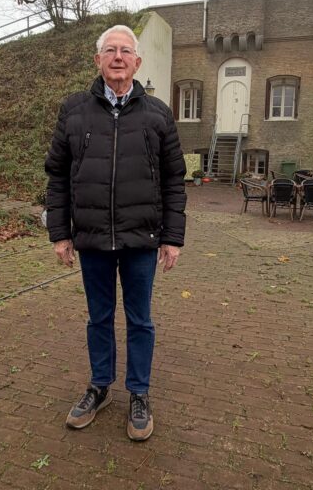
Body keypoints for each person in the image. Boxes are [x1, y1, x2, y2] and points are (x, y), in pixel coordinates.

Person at [44, 25, 187, 441]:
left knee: (140, 320)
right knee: (99, 318)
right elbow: (57, 176)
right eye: (110, 50)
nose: (119, 57)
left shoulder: (158, 114)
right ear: (98, 61)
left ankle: (139, 394)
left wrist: (173, 237)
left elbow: (174, 180)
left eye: (126, 51)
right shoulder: (73, 111)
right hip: (91, 240)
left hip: (142, 239)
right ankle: (100, 386)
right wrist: (60, 233)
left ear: (137, 63)